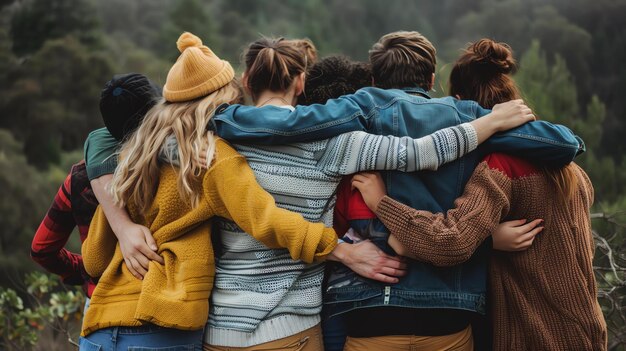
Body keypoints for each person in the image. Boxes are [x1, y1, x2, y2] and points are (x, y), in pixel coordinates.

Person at [208, 31, 585, 350]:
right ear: (433, 77)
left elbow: (288, 125)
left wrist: (224, 117)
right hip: (449, 309)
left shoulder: (359, 109)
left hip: (371, 307)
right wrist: (495, 119)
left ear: (372, 80)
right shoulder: (470, 116)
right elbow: (562, 145)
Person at [78, 32, 340, 351]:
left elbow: (93, 260)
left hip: (100, 329)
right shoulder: (211, 157)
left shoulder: (132, 158)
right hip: (162, 326)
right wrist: (337, 247)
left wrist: (124, 230)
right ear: (222, 97)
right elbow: (266, 221)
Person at [351, 38, 608, 350]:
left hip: (529, 335)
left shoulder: (499, 167)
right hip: (585, 328)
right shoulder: (573, 173)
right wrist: (491, 241)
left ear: (460, 104)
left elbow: (450, 242)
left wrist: (381, 203)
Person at [31, 73, 160, 299]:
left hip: (101, 305)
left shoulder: (79, 178)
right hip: (160, 297)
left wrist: (85, 271)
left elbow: (42, 249)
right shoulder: (175, 168)